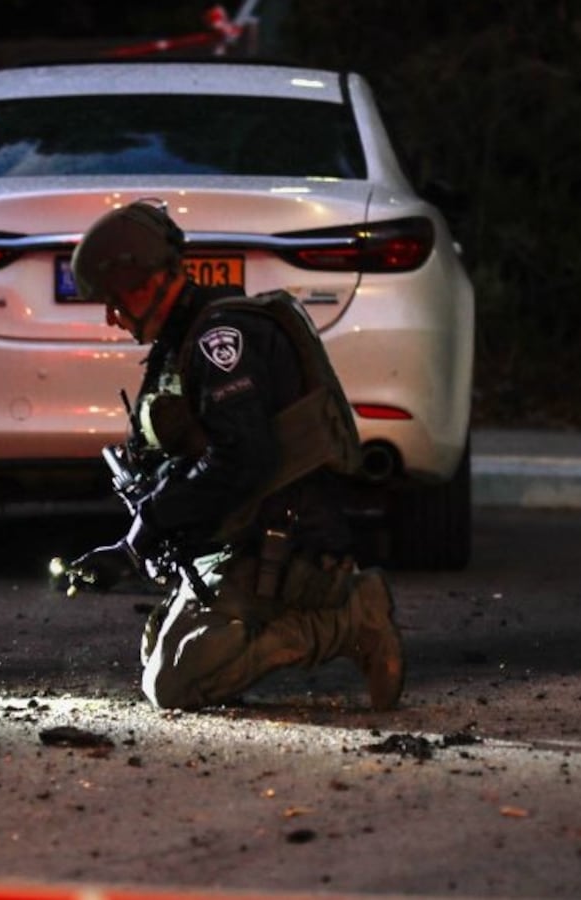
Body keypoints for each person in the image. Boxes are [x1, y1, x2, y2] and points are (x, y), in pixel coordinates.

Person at [58, 199, 404, 711]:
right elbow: (200, 455)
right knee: (158, 659)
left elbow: (242, 460)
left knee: (173, 686)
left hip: (289, 544)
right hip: (245, 538)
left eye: (114, 300)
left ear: (148, 282)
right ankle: (250, 622)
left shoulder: (220, 340)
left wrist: (146, 528)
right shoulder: (182, 339)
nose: (111, 317)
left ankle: (350, 618)